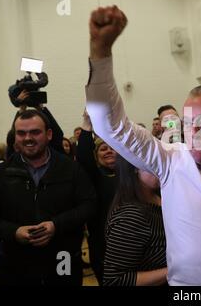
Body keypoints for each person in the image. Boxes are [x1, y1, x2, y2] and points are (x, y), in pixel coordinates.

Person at [86, 5, 201, 285]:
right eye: (187, 125)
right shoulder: (171, 161)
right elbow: (108, 125)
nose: (192, 134)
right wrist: (101, 52)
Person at [0, 110, 96, 286]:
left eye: (35, 132)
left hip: (64, 261)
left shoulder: (71, 169)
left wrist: (57, 225)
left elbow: (89, 205)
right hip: (16, 265)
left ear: (49, 134)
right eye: (21, 133)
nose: (28, 138)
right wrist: (13, 232)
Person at [103, 156, 167, 286]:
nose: (163, 167)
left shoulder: (158, 195)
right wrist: (175, 271)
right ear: (134, 167)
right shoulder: (131, 217)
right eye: (155, 162)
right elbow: (114, 280)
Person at [76, 111, 117, 285]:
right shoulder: (94, 177)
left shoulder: (131, 175)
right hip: (103, 244)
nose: (108, 151)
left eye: (111, 147)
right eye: (103, 148)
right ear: (96, 155)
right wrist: (87, 125)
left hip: (132, 241)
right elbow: (84, 155)